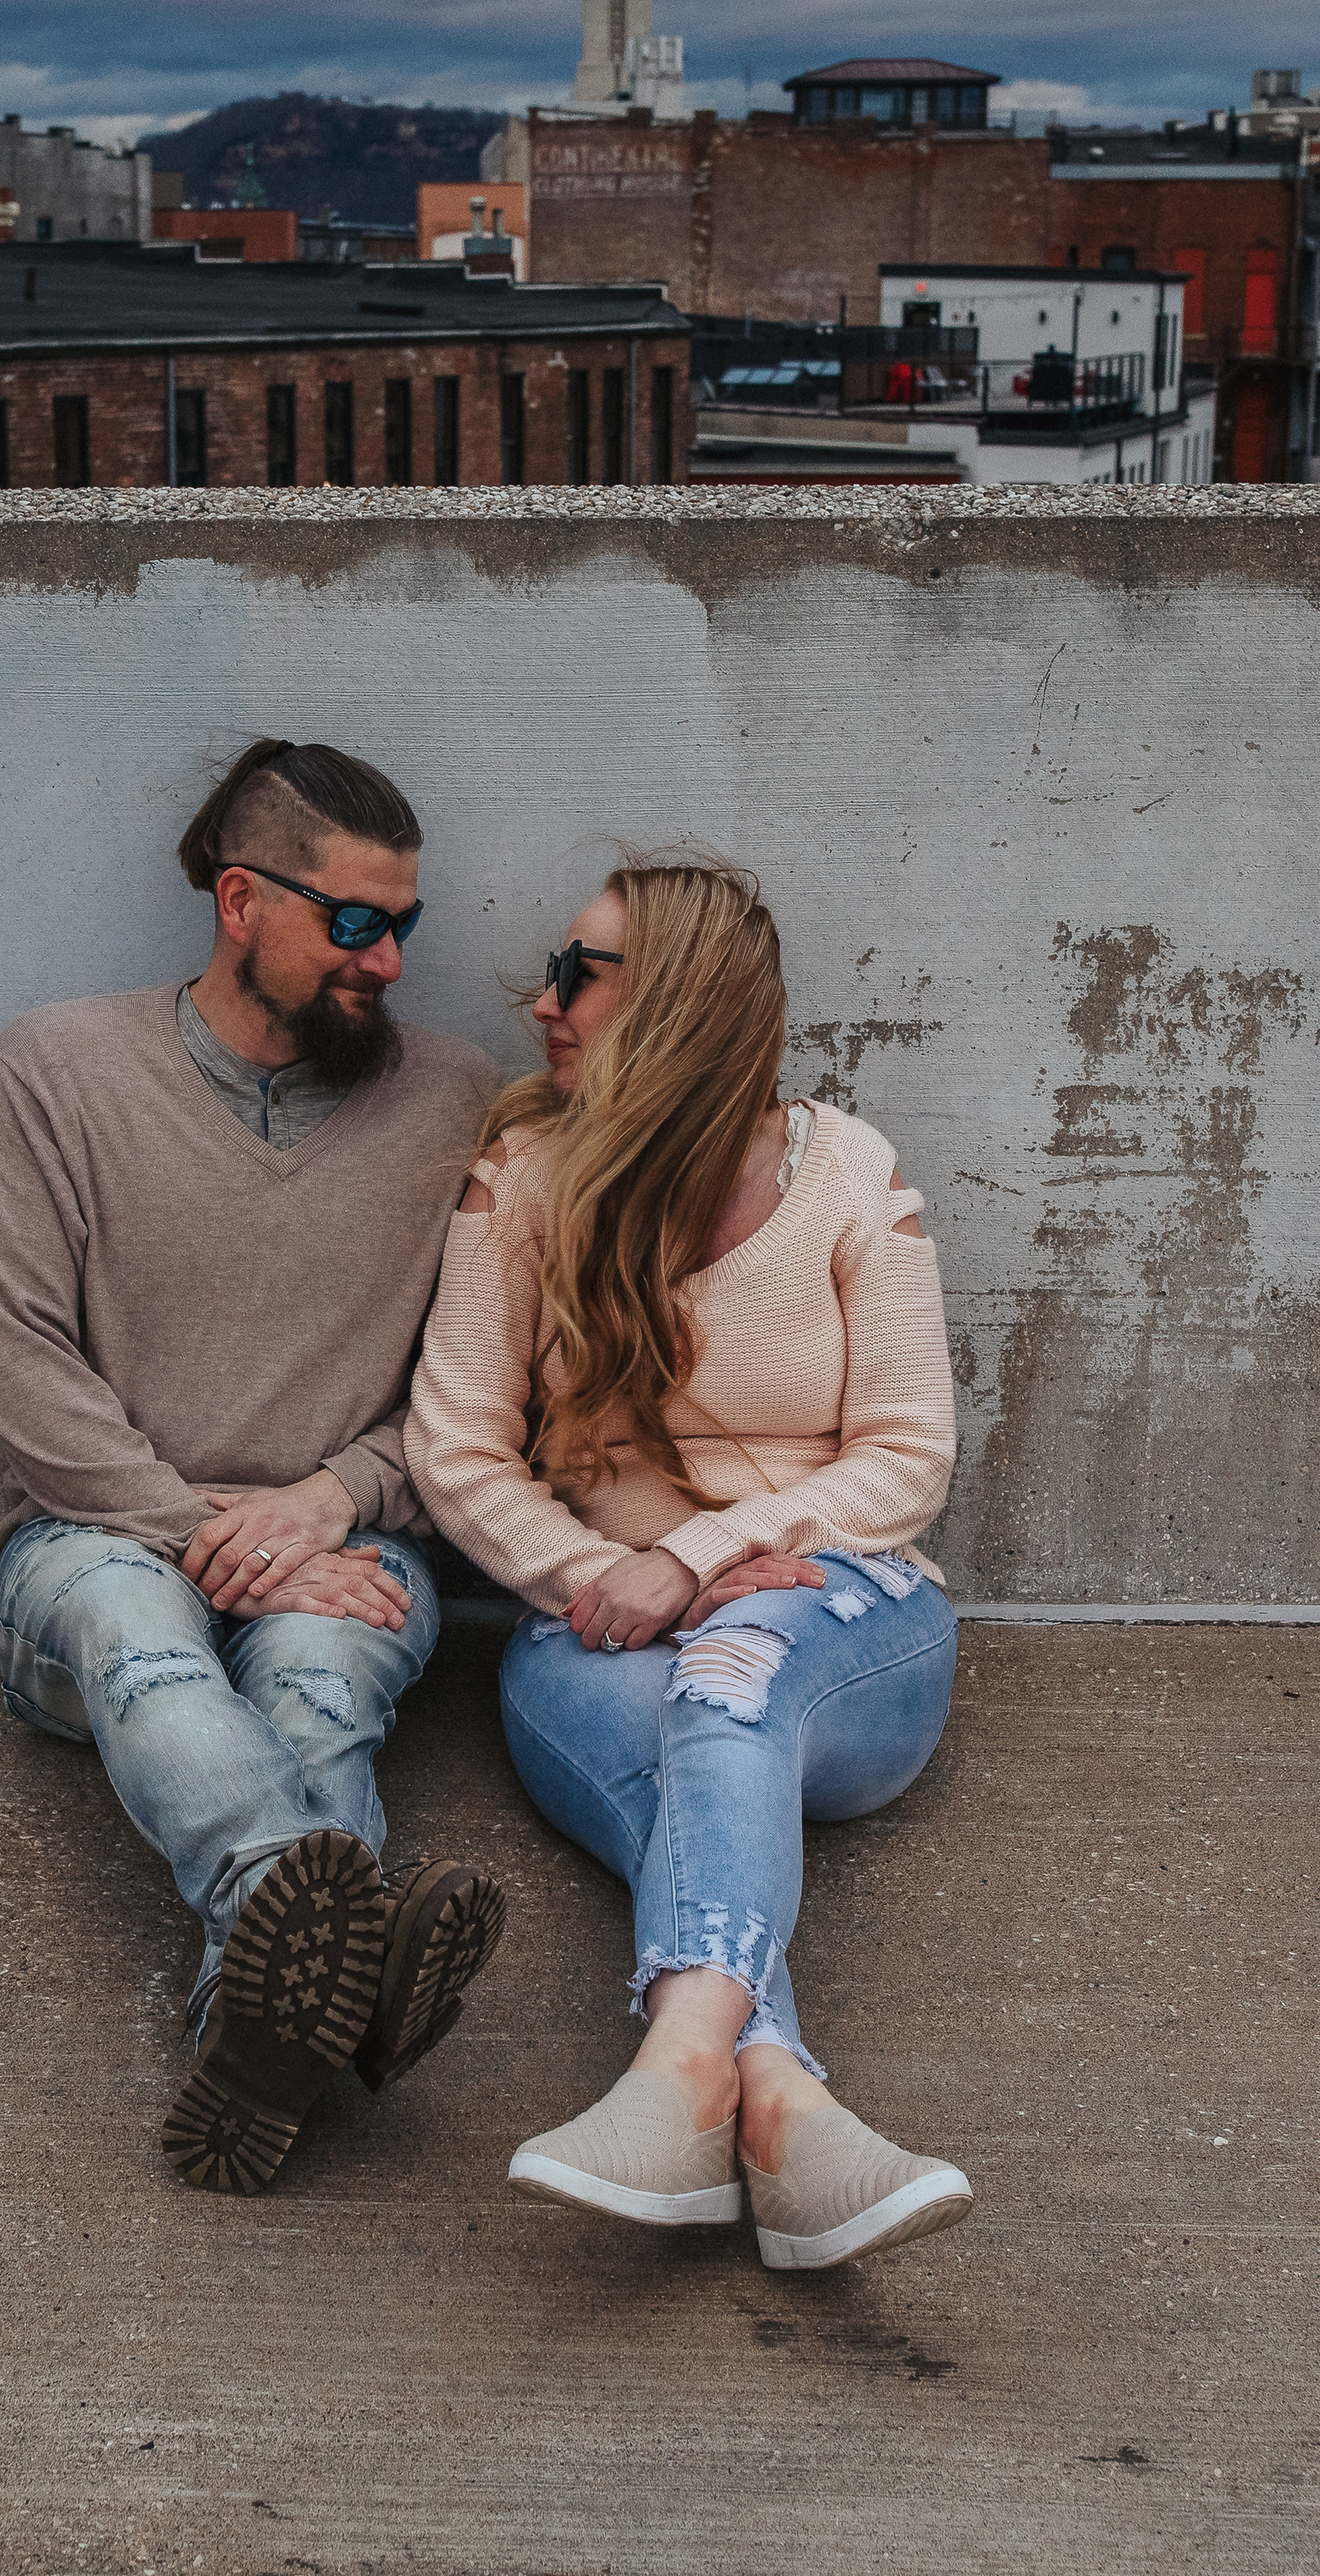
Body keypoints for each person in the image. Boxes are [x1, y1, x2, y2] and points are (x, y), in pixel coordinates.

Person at [406, 855, 972, 2270]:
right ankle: (775, 2104)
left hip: (840, 1618)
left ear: (679, 1004)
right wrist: (607, 1573)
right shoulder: (526, 1180)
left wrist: (700, 1556)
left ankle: (671, 2083)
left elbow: (908, 1456)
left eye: (581, 974)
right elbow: (456, 1449)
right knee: (690, 1768)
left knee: (728, 1675)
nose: (543, 1000)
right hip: (590, 1620)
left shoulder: (848, 1177)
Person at [0, 739, 506, 2196]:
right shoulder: (59, 1068)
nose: (390, 961)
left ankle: (254, 2024)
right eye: (354, 922)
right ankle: (330, 1940)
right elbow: (18, 1365)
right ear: (242, 901)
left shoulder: (460, 1101)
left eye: (405, 925)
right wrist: (203, 1529)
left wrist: (331, 1502)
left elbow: (478, 1394)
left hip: (347, 1540)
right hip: (90, 1534)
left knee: (321, 1683)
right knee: (143, 1643)